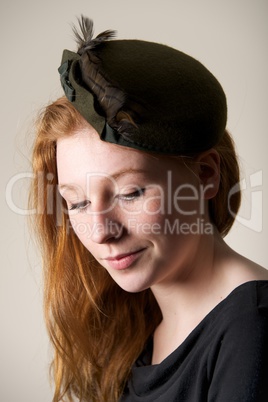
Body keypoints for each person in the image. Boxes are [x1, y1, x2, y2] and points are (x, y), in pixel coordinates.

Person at [30, 16, 268, 402]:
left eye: (130, 192)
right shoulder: (139, 329)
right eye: (78, 202)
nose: (101, 230)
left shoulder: (252, 331)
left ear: (206, 175)